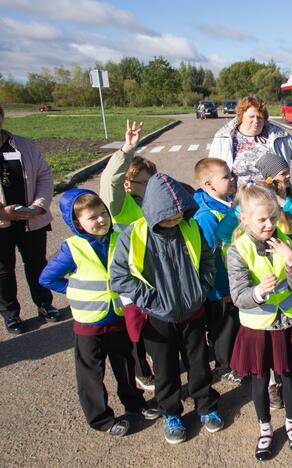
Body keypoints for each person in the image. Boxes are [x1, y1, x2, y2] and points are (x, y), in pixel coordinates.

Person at [109, 173, 222, 444]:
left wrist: (201, 289)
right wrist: (150, 300)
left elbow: (207, 259)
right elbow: (119, 276)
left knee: (198, 363)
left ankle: (206, 405)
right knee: (165, 369)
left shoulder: (190, 227)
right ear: (154, 211)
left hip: (193, 312)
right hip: (157, 318)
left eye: (180, 213)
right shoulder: (133, 236)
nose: (176, 219)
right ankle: (171, 412)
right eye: (170, 215)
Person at [38, 189, 161, 436]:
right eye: (92, 217)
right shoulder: (72, 248)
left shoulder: (119, 237)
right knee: (91, 374)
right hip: (89, 323)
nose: (101, 220)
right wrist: (73, 290)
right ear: (76, 223)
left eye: (103, 213)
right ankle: (101, 419)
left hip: (118, 315)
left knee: (126, 364)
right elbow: (47, 278)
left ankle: (135, 404)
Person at [226, 185, 292, 461]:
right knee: (260, 378)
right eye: (261, 220)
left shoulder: (287, 242)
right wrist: (258, 292)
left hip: (287, 322)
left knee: (288, 375)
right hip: (257, 327)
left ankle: (291, 423)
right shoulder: (238, 250)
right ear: (244, 219)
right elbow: (238, 297)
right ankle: (265, 429)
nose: (268, 225)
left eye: (272, 219)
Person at [100, 120, 157, 391]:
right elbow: (109, 182)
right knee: (134, 327)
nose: (151, 186)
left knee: (153, 322)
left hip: (153, 274)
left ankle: (154, 359)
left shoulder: (150, 203)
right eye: (145, 182)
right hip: (132, 278)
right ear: (128, 183)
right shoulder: (121, 208)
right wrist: (126, 151)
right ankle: (140, 370)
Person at [0, 103, 60, 334]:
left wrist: (39, 206)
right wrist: (3, 212)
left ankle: (45, 304)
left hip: (31, 218)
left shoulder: (24, 146)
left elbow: (44, 175)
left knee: (37, 264)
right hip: (2, 222)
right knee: (4, 270)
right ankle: (11, 314)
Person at [192, 158, 241, 384]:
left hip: (233, 280)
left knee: (232, 324)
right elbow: (212, 257)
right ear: (209, 184)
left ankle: (232, 360)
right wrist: (224, 288)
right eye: (226, 177)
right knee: (223, 328)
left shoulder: (226, 203)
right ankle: (224, 366)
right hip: (221, 287)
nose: (231, 179)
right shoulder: (206, 216)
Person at [209, 95, 292, 191]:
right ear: (241, 117)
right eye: (251, 117)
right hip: (236, 202)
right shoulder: (224, 137)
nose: (256, 121)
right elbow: (211, 169)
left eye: (259, 117)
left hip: (274, 200)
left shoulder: (277, 135)